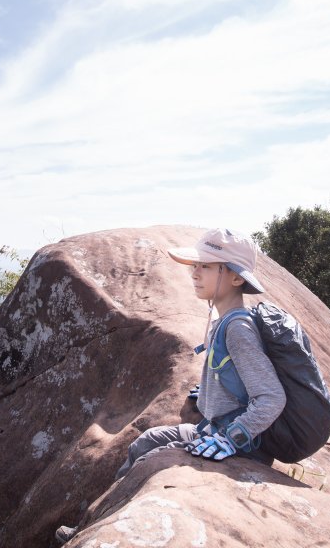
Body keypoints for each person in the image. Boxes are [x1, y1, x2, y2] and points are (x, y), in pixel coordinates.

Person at [55, 228, 285, 545]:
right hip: (212, 429)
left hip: (239, 444)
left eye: (206, 266)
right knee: (145, 442)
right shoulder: (223, 320)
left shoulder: (238, 329)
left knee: (154, 460)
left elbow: (271, 398)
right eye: (196, 265)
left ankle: (99, 525)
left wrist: (232, 439)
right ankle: (91, 522)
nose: (195, 272)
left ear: (234, 277)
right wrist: (206, 396)